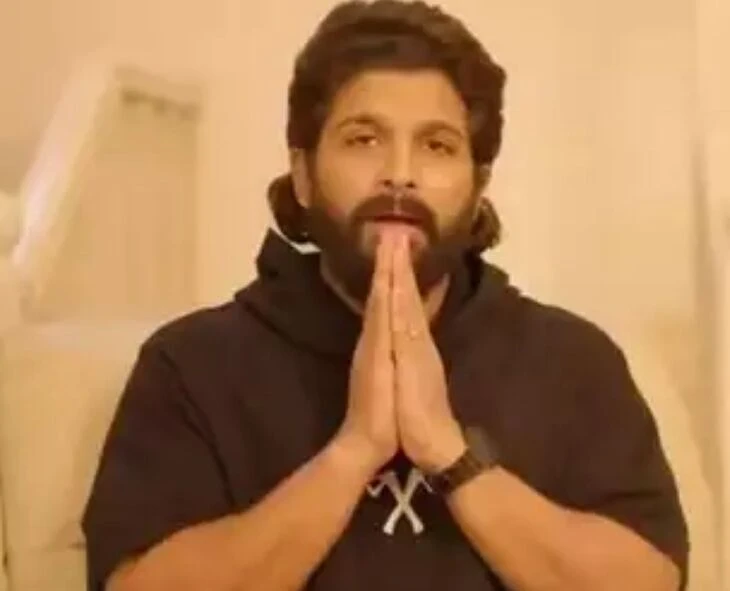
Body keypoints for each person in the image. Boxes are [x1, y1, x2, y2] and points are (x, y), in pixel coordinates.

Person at [82, 1, 689, 590]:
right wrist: (355, 450)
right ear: (302, 174)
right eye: (363, 139)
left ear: (478, 186)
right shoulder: (192, 364)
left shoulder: (571, 359)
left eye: (437, 145)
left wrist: (447, 451)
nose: (400, 173)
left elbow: (650, 579)